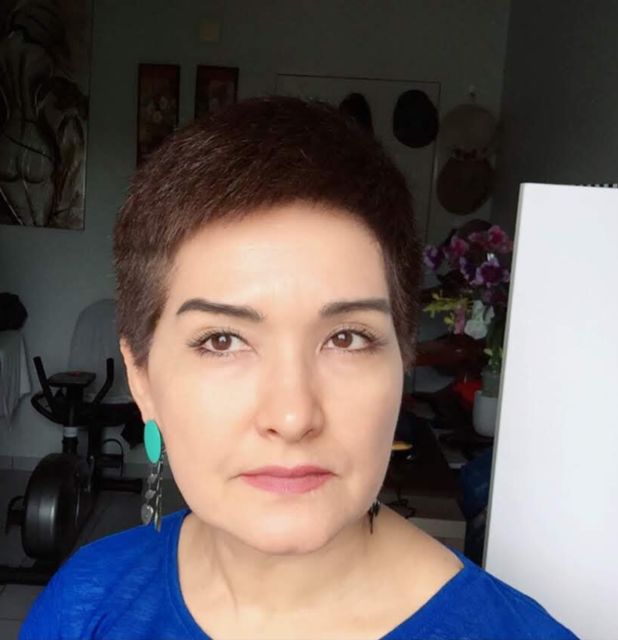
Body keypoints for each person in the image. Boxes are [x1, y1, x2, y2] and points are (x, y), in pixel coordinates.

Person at [20, 96, 577, 639]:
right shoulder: (84, 605)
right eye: (221, 340)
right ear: (141, 379)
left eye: (346, 338)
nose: (292, 416)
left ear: (403, 359)